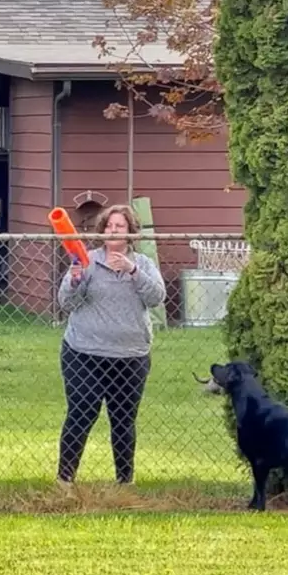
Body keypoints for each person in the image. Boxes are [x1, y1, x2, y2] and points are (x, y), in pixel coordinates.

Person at [55, 204, 167, 485]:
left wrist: (132, 272)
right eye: (108, 226)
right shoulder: (87, 260)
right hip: (84, 353)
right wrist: (76, 279)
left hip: (130, 356)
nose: (113, 230)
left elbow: (156, 298)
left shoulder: (142, 264)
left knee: (123, 420)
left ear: (130, 233)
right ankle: (65, 481)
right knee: (82, 411)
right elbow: (66, 303)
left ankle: (124, 483)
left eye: (120, 226)